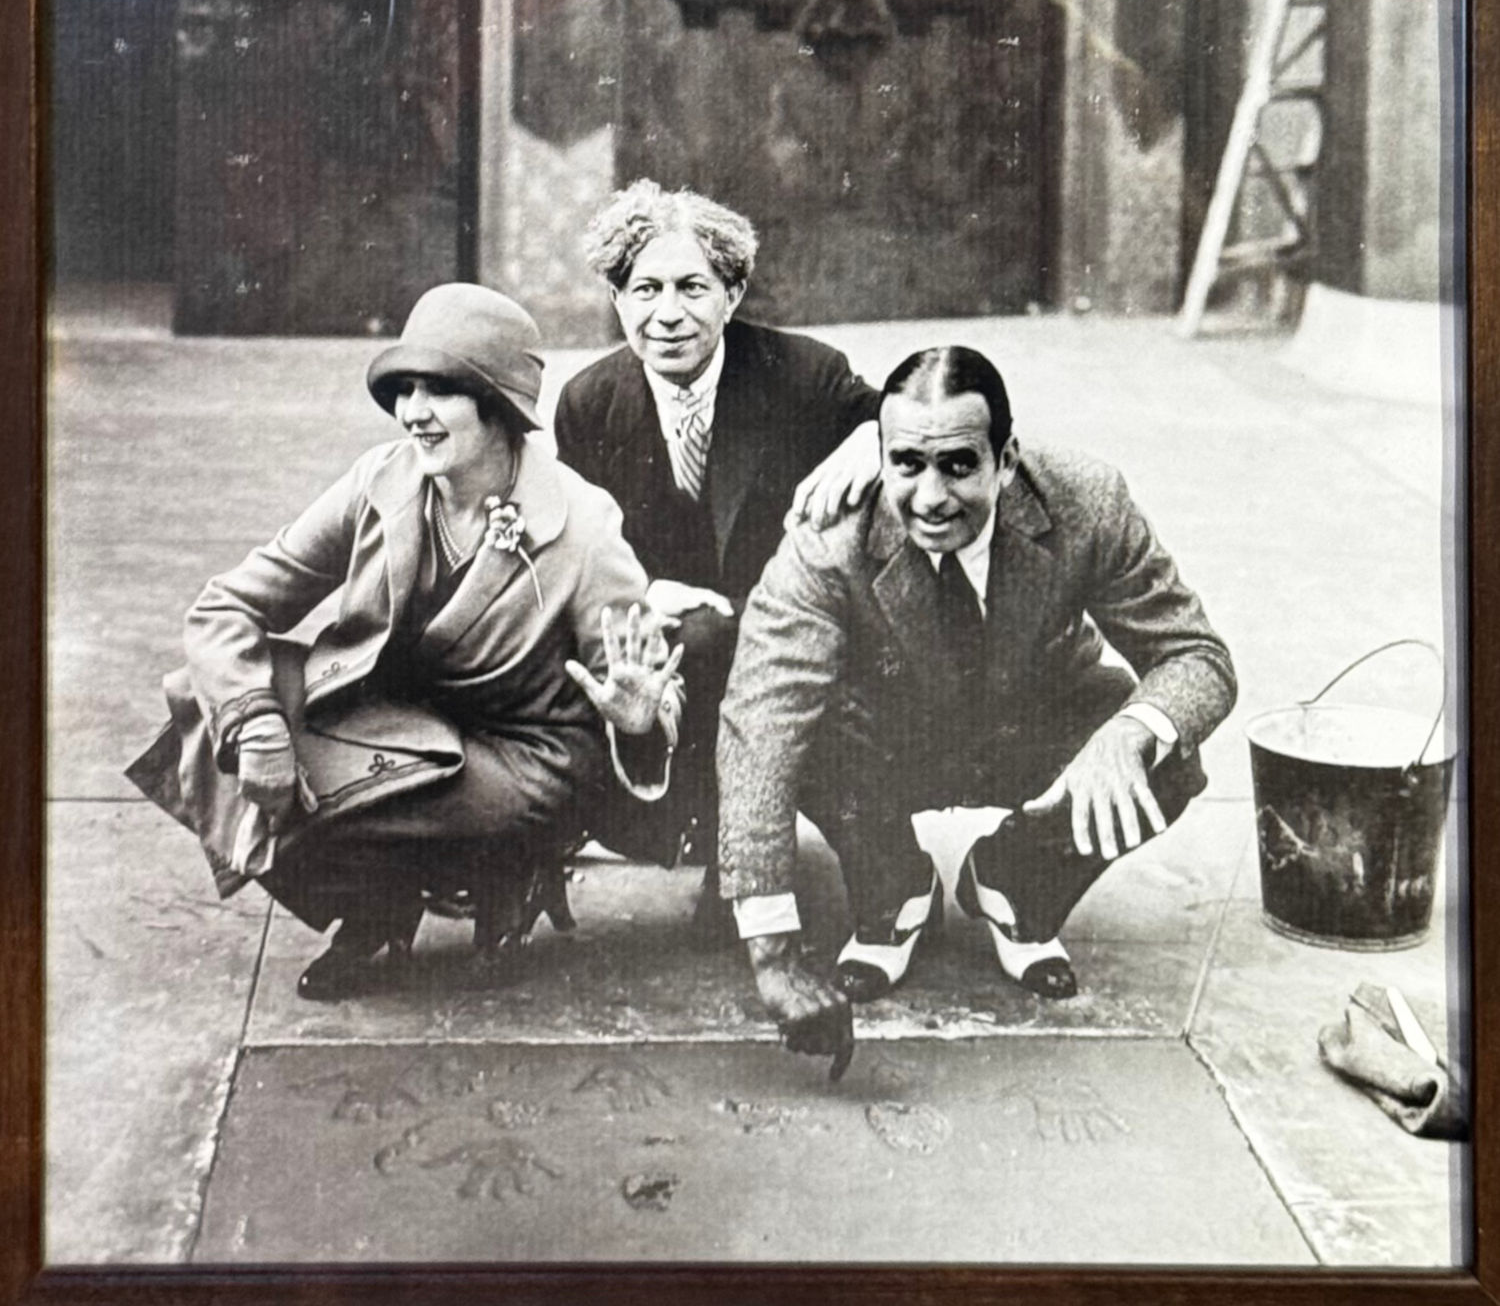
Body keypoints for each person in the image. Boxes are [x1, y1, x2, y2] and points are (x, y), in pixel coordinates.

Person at [128, 284, 683, 1001]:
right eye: (404, 388)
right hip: (399, 725)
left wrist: (637, 720)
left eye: (441, 389)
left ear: (499, 403)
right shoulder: (381, 482)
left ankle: (496, 869)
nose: (413, 413)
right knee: (205, 721)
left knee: (324, 793)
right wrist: (255, 722)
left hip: (526, 755)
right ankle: (380, 906)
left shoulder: (581, 524)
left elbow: (643, 690)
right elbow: (226, 604)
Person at [716, 344, 1236, 1076]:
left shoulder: (1088, 501)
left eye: (959, 465)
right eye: (907, 465)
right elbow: (759, 725)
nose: (930, 497)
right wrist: (772, 955)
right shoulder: (828, 540)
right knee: (800, 739)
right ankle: (892, 882)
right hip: (889, 743)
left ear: (1008, 459)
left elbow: (1197, 656)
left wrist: (1126, 735)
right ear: (883, 455)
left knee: (1169, 756)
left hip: (1030, 724)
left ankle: (1016, 877)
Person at [553, 181, 881, 923]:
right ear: (617, 297)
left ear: (733, 294)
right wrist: (649, 593)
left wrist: (875, 436)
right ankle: (700, 835)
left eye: (692, 287)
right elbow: (585, 537)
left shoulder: (802, 374)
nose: (667, 313)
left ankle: (750, 859)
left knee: (729, 649)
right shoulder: (588, 401)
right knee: (670, 652)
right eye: (644, 289)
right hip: (664, 620)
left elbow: (920, 407)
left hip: (787, 624)